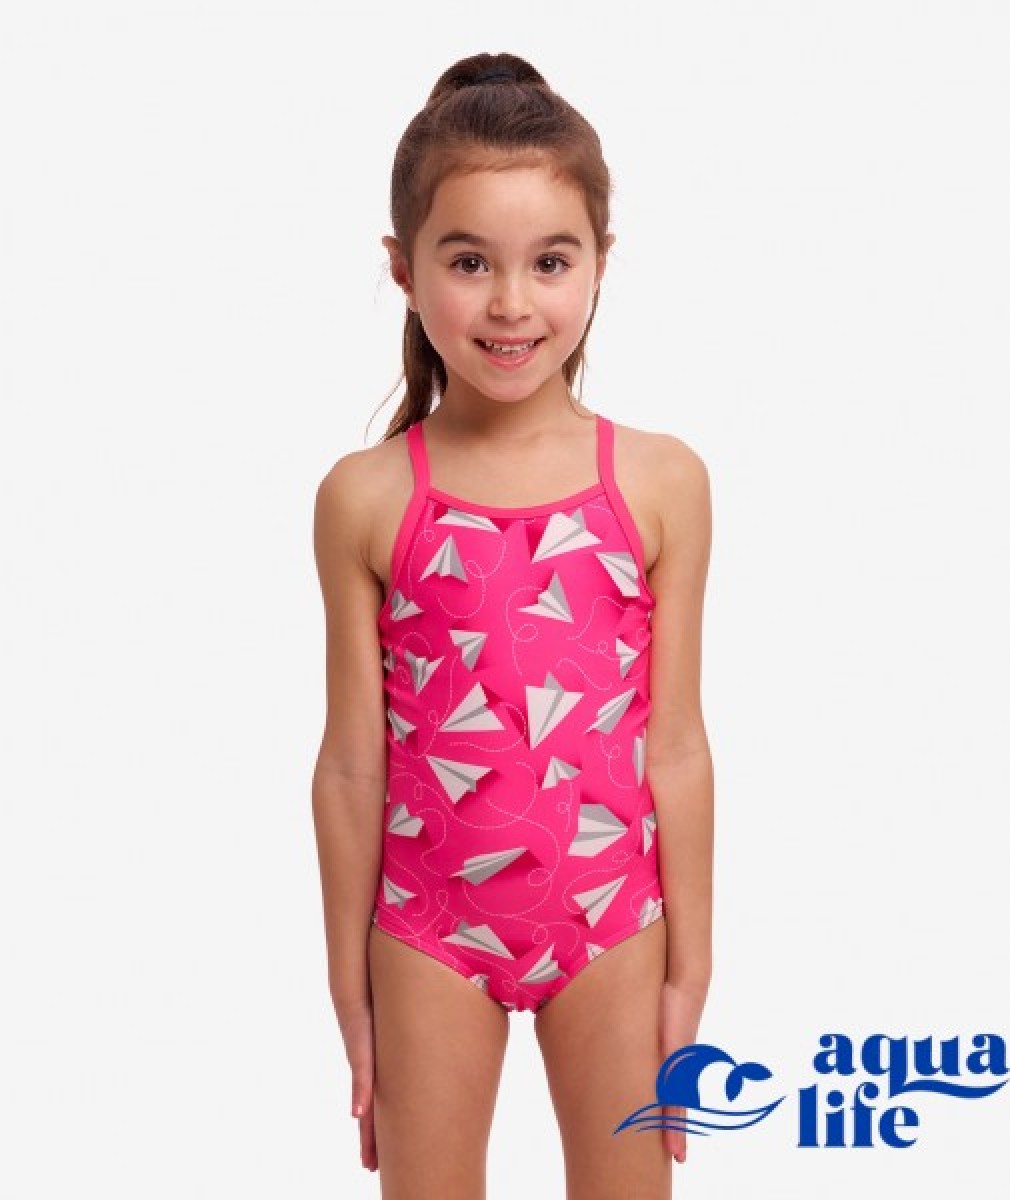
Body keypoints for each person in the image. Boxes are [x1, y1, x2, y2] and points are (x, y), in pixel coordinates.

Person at [312, 51, 714, 1199]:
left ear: (598, 262)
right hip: (426, 930)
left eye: (548, 261)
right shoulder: (366, 497)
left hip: (612, 926)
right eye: (467, 261)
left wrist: (688, 969)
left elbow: (676, 743)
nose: (508, 303)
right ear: (402, 268)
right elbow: (351, 766)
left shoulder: (658, 482)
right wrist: (350, 991)